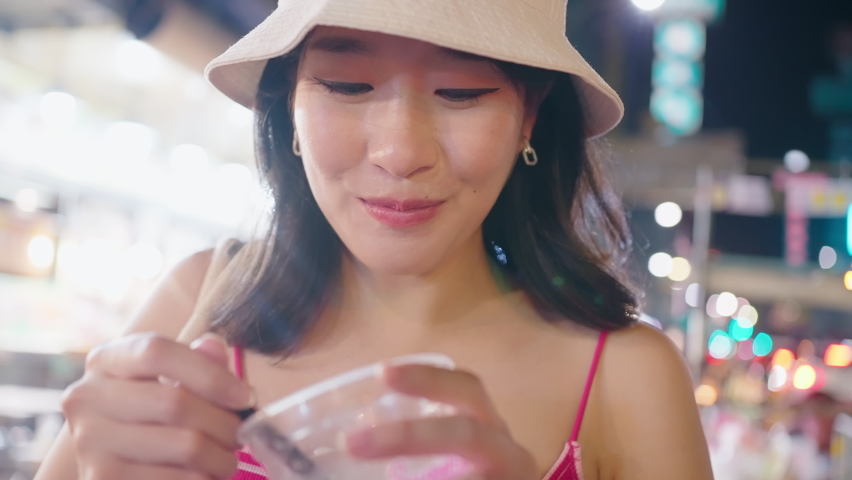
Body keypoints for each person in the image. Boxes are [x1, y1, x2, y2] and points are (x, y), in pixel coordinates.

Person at [35, 1, 713, 479]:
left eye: (461, 92)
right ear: (290, 108)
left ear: (528, 117)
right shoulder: (198, 303)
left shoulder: (626, 375)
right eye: (346, 84)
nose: (399, 152)